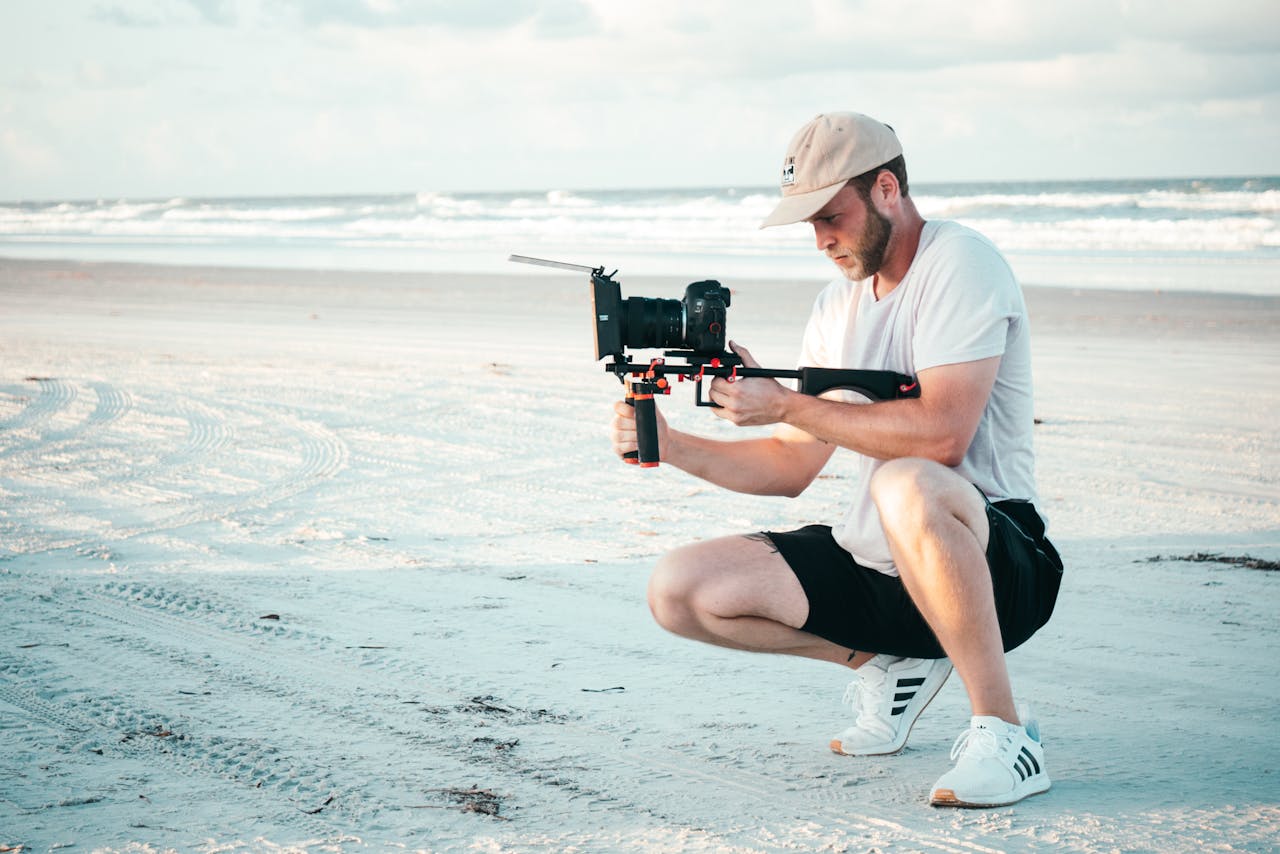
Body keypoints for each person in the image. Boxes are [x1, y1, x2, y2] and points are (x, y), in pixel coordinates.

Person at [610, 111, 1063, 808]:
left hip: (998, 562)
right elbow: (793, 468)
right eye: (809, 223)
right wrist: (672, 446)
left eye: (831, 215)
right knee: (679, 589)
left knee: (910, 483)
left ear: (887, 189)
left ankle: (1006, 736)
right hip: (883, 569)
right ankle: (891, 665)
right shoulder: (836, 306)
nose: (821, 239)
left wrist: (786, 402)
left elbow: (942, 436)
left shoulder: (960, 263)